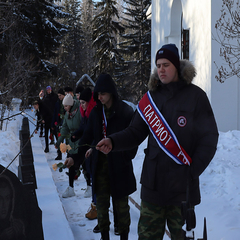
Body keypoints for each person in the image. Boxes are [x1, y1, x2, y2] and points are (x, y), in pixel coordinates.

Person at [96, 44, 219, 240]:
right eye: (158, 65)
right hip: (153, 187)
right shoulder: (150, 99)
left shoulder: (196, 97)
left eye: (166, 65)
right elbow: (135, 132)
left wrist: (193, 170)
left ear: (177, 66)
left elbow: (209, 137)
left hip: (183, 189)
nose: (161, 69)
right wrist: (113, 141)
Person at [64, 73, 138, 240]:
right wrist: (74, 158)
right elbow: (87, 137)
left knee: (121, 209)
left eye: (103, 94)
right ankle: (104, 236)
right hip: (100, 169)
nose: (100, 97)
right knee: (102, 208)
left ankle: (124, 235)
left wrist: (126, 157)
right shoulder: (96, 113)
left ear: (111, 92)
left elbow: (133, 139)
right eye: (97, 94)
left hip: (120, 168)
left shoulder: (125, 112)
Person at [55, 93, 82, 198]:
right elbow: (64, 129)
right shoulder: (67, 115)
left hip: (80, 141)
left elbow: (83, 126)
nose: (64, 108)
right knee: (70, 163)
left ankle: (89, 185)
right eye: (64, 106)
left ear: (70, 105)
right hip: (71, 142)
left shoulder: (79, 112)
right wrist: (58, 142)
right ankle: (71, 188)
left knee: (83, 164)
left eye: (66, 106)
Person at [51, 88, 66, 160]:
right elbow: (55, 113)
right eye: (58, 95)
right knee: (59, 139)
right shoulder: (57, 103)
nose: (59, 97)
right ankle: (59, 154)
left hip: (65, 124)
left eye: (60, 95)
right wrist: (53, 124)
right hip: (58, 123)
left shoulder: (66, 102)